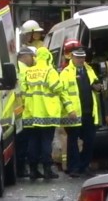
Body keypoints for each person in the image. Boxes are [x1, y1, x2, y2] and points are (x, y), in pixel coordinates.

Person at [22, 46, 76, 180]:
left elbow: (23, 89)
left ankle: (33, 170)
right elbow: (57, 87)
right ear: (48, 57)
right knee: (46, 141)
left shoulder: (29, 71)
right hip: (47, 113)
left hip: (31, 113)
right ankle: (47, 170)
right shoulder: (50, 71)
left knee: (33, 141)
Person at [59, 47, 103, 178]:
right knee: (73, 142)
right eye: (78, 58)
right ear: (72, 57)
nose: (81, 60)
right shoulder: (66, 72)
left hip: (88, 112)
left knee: (89, 140)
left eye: (83, 58)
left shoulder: (89, 70)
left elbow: (96, 84)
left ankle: (84, 166)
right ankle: (74, 168)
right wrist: (70, 110)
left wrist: (98, 87)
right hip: (73, 113)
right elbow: (63, 93)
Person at [14, 47, 36, 178]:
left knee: (20, 142)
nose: (33, 59)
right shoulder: (24, 70)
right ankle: (21, 169)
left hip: (17, 110)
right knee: (23, 142)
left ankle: (20, 168)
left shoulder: (17, 67)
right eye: (31, 56)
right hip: (23, 110)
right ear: (25, 56)